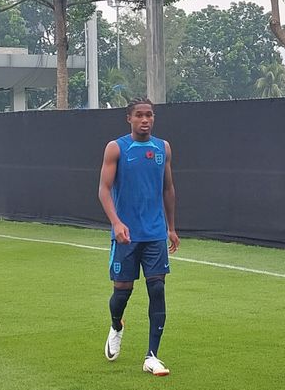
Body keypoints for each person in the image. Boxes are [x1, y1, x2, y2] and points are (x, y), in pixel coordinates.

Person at [98, 97, 180, 377]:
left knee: (157, 289)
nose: (145, 120)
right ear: (129, 119)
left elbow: (168, 189)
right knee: (122, 293)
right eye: (140, 115)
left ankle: (152, 356)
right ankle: (116, 325)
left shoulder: (163, 148)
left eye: (150, 115)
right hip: (125, 237)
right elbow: (104, 190)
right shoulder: (116, 148)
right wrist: (117, 223)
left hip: (155, 233)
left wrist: (171, 227)